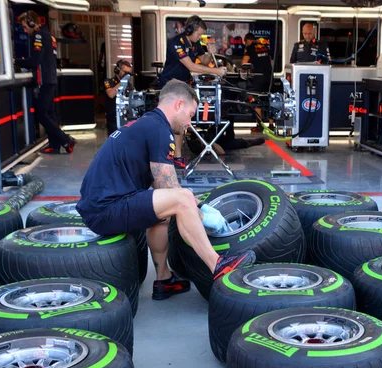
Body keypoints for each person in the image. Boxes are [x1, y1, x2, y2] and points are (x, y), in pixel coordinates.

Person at [76, 79, 256, 300]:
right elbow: (170, 188)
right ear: (178, 104)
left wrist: (197, 205)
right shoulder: (161, 130)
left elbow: (158, 186)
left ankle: (163, 280)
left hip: (103, 206)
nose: (190, 123)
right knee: (182, 199)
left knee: (163, 214)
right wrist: (206, 218)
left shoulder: (148, 125)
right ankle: (218, 265)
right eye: (191, 115)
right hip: (105, 210)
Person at [158, 15, 227, 169]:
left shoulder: (196, 44)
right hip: (169, 86)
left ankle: (177, 156)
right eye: (198, 33)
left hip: (183, 86)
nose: (199, 36)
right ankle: (166, 155)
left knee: (181, 121)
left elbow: (202, 61)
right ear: (189, 30)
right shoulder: (177, 43)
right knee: (169, 122)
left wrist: (209, 52)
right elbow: (192, 67)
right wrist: (216, 71)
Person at [15, 11, 76, 154]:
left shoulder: (38, 35)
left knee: (41, 114)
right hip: (51, 78)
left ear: (31, 22)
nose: (25, 30)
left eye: (25, 26)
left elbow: (35, 61)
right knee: (50, 113)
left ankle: (66, 140)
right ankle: (55, 145)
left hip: (44, 80)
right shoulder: (49, 35)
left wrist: (16, 61)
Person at [242, 32, 273, 133]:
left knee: (256, 100)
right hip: (269, 77)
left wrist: (243, 71)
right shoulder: (265, 47)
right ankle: (271, 124)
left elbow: (244, 63)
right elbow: (269, 60)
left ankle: (260, 125)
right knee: (269, 100)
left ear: (247, 41)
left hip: (258, 77)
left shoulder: (250, 48)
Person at [103, 60, 132, 136]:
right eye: (125, 72)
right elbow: (111, 94)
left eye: (128, 73)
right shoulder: (108, 81)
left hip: (126, 117)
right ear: (118, 70)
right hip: (113, 118)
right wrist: (122, 82)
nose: (126, 75)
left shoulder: (129, 84)